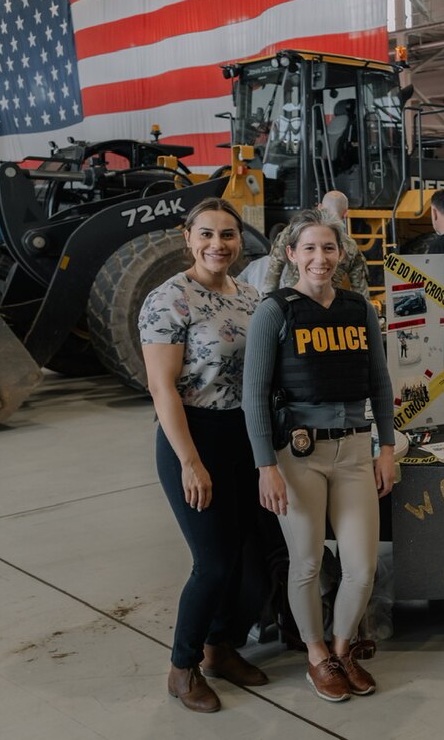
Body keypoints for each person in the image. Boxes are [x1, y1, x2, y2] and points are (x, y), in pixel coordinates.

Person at [242, 209, 396, 703]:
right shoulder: (275, 310)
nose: (320, 258)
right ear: (291, 255)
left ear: (341, 254)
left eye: (328, 248)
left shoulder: (359, 307)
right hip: (298, 456)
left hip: (354, 451)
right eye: (308, 248)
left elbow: (380, 381)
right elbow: (255, 395)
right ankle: (316, 657)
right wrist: (266, 465)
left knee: (361, 568)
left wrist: (386, 447)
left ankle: (342, 647)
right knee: (306, 563)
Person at [138, 197, 268, 713]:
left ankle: (221, 647)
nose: (219, 244)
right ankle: (182, 667)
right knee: (213, 562)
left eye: (228, 235)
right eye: (207, 234)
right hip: (194, 434)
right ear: (188, 238)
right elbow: (161, 388)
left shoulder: (253, 297)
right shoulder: (169, 299)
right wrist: (190, 461)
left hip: (247, 435)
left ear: (240, 241)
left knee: (252, 560)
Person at [241, 191, 369, 297]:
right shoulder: (351, 246)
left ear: (320, 207)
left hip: (292, 301)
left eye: (328, 248)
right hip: (329, 307)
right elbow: (361, 290)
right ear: (346, 212)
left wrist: (269, 302)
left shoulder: (291, 233)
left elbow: (274, 269)